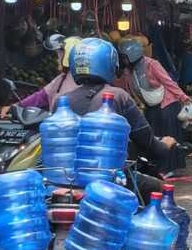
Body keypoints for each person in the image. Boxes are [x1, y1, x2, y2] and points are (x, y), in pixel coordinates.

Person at [63, 38, 176, 189]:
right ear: (109, 64)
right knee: (160, 189)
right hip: (108, 178)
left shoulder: (62, 100)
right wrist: (163, 146)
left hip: (67, 179)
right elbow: (145, 140)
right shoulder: (118, 96)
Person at [116, 40, 192, 174]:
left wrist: (183, 98)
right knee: (154, 137)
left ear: (132, 54)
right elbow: (127, 88)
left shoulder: (152, 64)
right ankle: (158, 167)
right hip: (150, 107)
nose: (123, 60)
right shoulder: (128, 71)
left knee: (168, 136)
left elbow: (168, 82)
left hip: (167, 104)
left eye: (124, 56)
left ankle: (169, 168)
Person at [2, 35, 81, 115]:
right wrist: (16, 106)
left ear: (67, 56)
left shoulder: (80, 81)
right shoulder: (62, 78)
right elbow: (42, 96)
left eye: (59, 55)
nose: (57, 59)